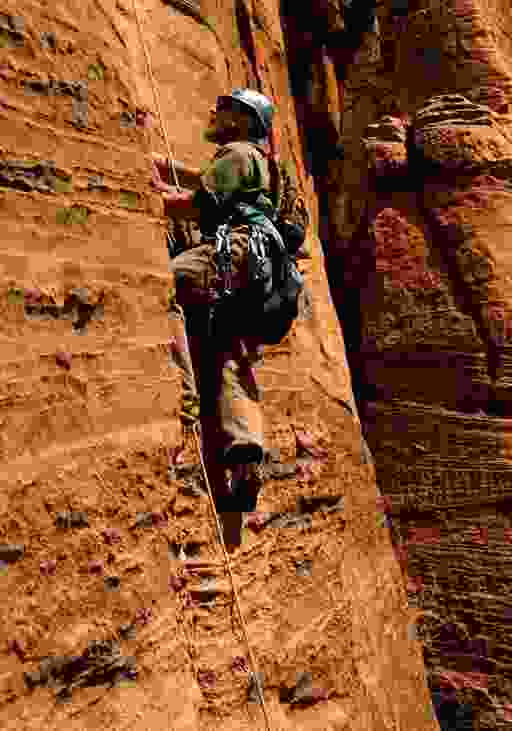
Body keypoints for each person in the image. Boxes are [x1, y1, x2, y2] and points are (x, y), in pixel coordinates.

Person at [151, 89, 281, 548]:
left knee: (158, 283)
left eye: (222, 109)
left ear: (242, 121)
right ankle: (244, 450)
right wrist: (170, 178)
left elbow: (201, 205)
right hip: (256, 271)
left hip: (235, 254)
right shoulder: (259, 161)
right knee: (229, 355)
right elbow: (208, 189)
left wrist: (141, 197)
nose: (211, 112)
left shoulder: (236, 152)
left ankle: (183, 394)